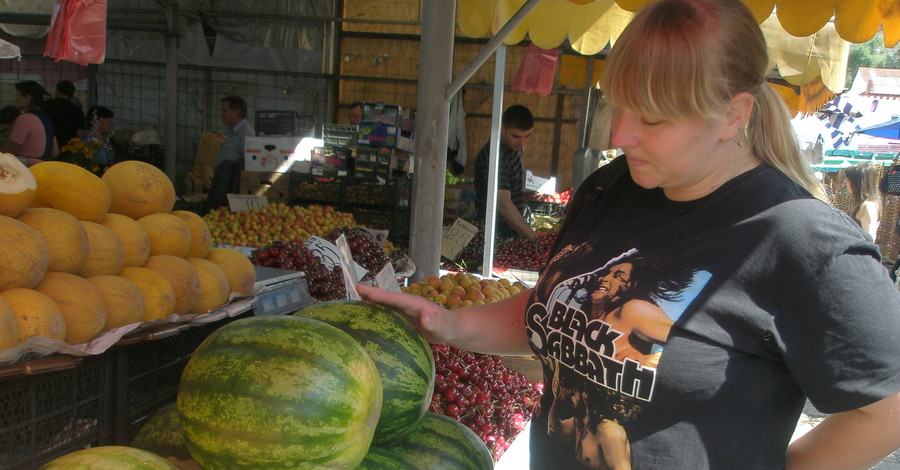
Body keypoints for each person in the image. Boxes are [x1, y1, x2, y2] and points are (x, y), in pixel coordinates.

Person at [358, 0, 900, 468]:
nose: (621, 134)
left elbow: (886, 409)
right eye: (621, 105)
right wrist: (450, 323)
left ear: (734, 115)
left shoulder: (802, 242)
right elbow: (560, 311)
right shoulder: (611, 187)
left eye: (654, 119)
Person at [474, 104, 538, 240]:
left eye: (527, 136)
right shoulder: (495, 157)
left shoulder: (515, 149)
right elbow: (503, 205)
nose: (522, 142)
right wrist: (533, 237)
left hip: (511, 226)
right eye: (516, 136)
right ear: (502, 128)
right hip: (496, 231)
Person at [206, 96, 255, 210]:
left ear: (237, 113)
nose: (221, 114)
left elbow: (248, 165)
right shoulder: (233, 132)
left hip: (230, 189)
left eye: (225, 110)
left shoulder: (246, 134)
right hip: (222, 186)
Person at [1, 81, 58, 166]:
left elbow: (8, 151)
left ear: (28, 98)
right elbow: (55, 152)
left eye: (19, 95)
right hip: (45, 167)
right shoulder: (46, 120)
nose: (16, 99)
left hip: (27, 168)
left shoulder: (24, 119)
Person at [844, 162, 882, 241]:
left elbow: (870, 238)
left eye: (848, 179)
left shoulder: (868, 206)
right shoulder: (865, 204)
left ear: (857, 182)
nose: (845, 182)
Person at [43, 80, 86, 149]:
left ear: (57, 90)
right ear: (72, 94)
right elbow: (80, 133)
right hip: (68, 147)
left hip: (48, 145)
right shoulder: (77, 110)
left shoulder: (47, 105)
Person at [82, 106, 116, 170]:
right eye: (107, 119)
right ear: (97, 121)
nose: (110, 122)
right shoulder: (89, 141)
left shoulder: (107, 138)